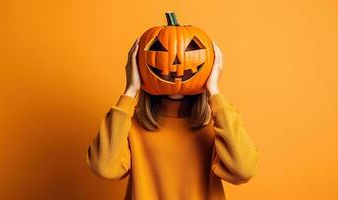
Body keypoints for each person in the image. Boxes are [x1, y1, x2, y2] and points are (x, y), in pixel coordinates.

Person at [86, 38, 259, 200]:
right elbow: (103, 167)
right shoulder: (129, 123)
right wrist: (130, 90)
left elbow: (243, 170)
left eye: (191, 52)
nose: (176, 63)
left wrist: (213, 90)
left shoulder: (219, 125)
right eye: (159, 50)